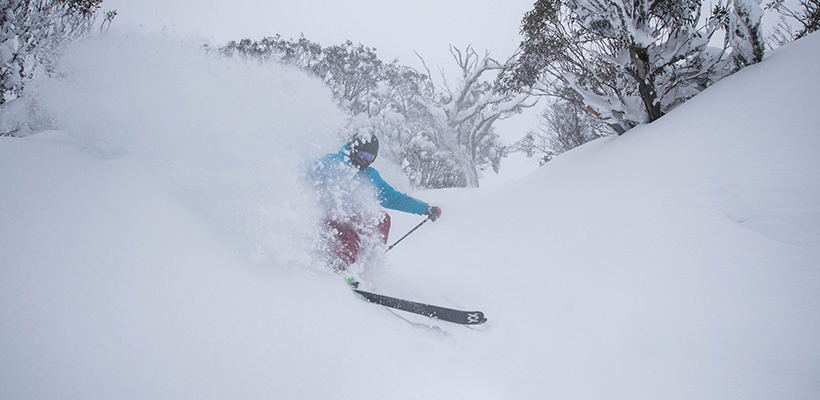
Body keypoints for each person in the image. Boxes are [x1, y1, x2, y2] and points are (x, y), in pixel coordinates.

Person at [309, 129, 442, 275]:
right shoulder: (332, 163)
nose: (364, 160)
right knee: (349, 241)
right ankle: (338, 269)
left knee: (382, 219)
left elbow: (394, 198)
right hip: (330, 217)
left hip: (352, 219)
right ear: (354, 149)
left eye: (369, 157)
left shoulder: (371, 176)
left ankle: (367, 267)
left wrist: (424, 208)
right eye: (362, 155)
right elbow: (307, 180)